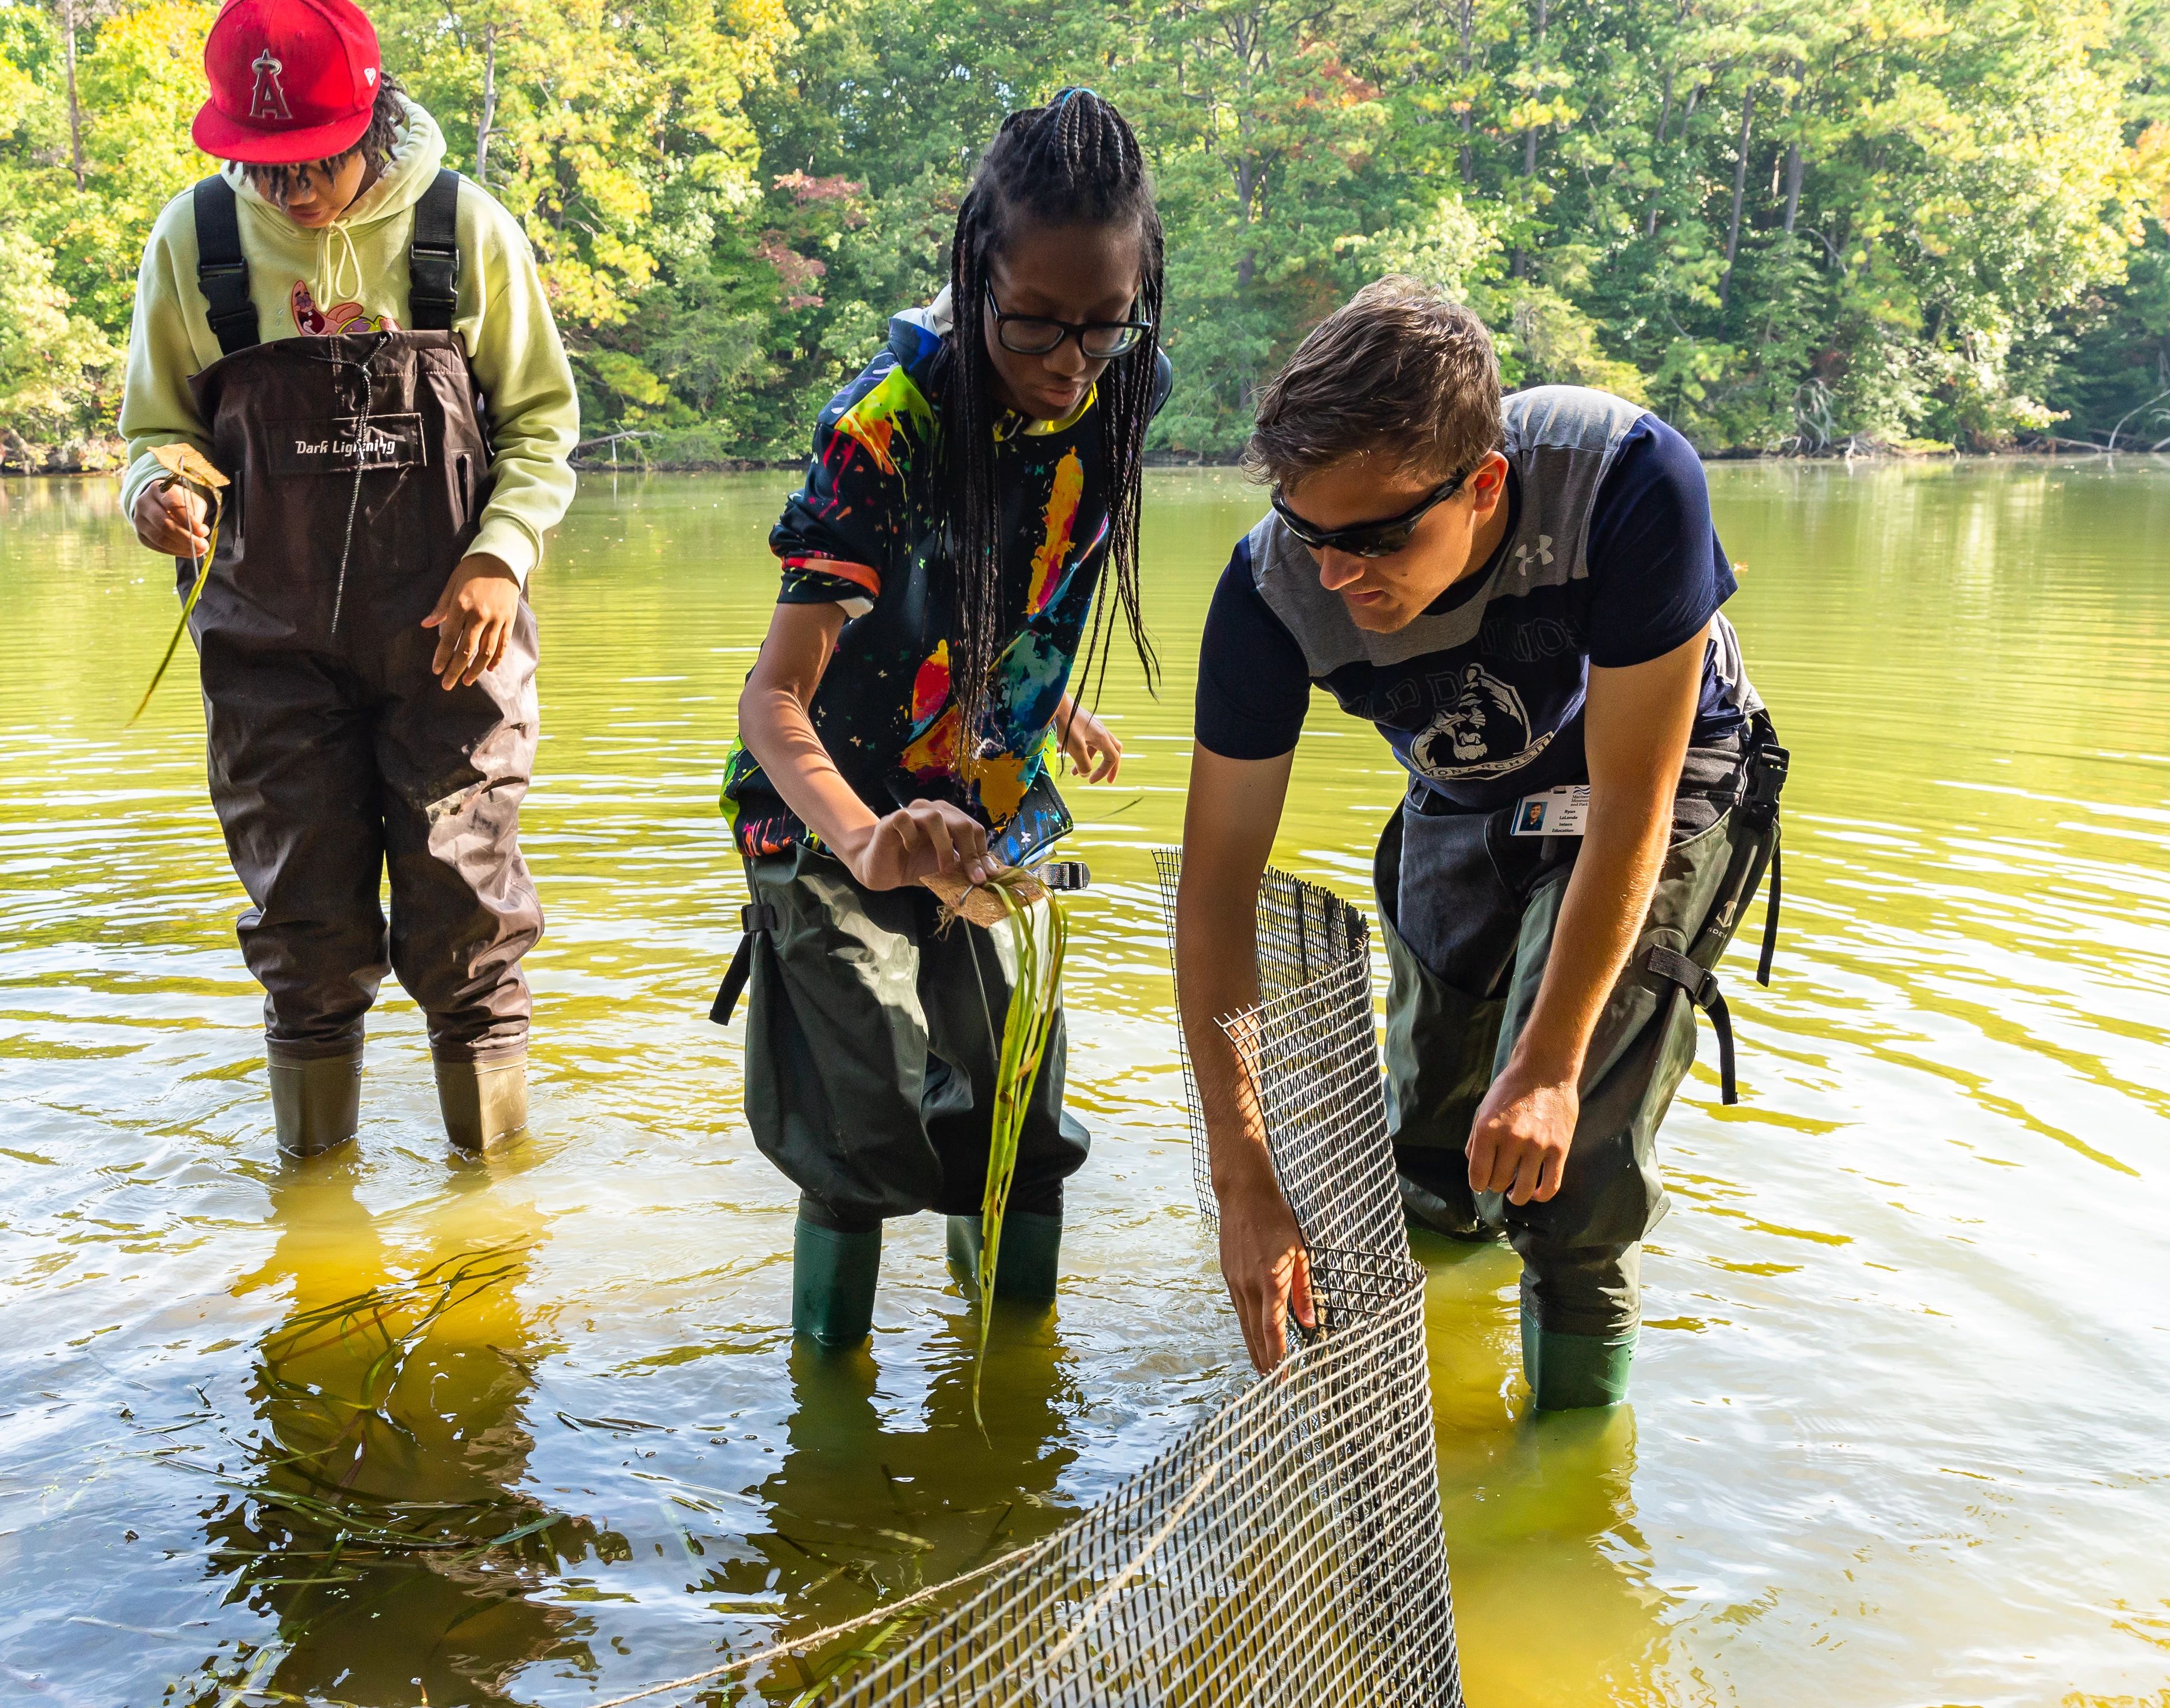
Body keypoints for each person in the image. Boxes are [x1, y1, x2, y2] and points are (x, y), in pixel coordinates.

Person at [1173, 280, 1785, 1409]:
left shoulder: (1629, 483)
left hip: (1662, 769)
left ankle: (1563, 1491)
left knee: (1570, 1167)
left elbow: (1630, 803)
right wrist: (1243, 1176)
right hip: (1462, 781)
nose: (1338, 577)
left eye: (1377, 539)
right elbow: (1214, 898)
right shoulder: (1268, 595)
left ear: (1485, 485)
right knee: (1442, 1137)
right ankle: (1441, 1356)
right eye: (1311, 535)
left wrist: (1551, 1068)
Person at [718, 89, 1168, 1345]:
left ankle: (1013, 1391)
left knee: (1022, 1097)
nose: (1068, 365)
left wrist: (1042, 694)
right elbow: (775, 699)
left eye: (1103, 328)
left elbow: (1012, 565)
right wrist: (865, 838)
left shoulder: (1129, 390)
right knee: (867, 1117)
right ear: (975, 275)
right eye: (1033, 325)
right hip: (826, 811)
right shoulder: (885, 428)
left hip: (986, 794)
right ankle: (833, 1409)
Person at [117, 0, 579, 1158]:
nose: (290, 189)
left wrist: (499, 557)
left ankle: (493, 1219)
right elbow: (159, 429)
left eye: (314, 158)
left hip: (451, 645)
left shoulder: (463, 227)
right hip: (267, 651)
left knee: (466, 924)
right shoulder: (195, 242)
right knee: (304, 934)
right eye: (262, 165)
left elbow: (539, 427)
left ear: (371, 110)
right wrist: (157, 493)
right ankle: (315, 1203)